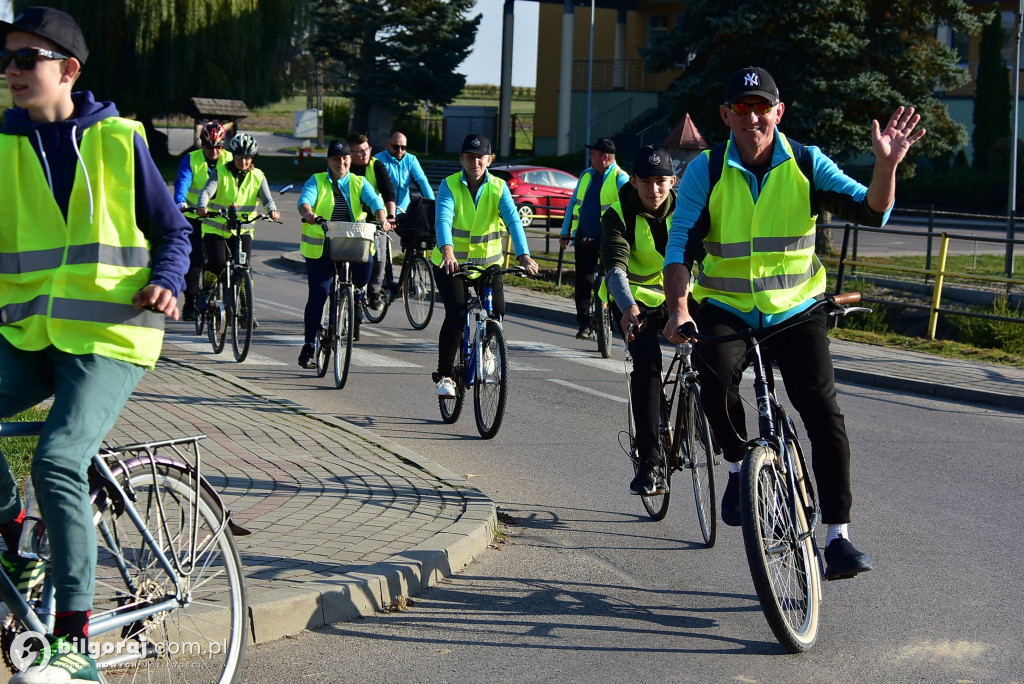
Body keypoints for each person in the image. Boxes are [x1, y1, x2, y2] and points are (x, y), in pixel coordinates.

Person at [662, 66, 925, 579]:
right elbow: (679, 248)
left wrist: (886, 166)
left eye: (763, 107)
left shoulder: (805, 162)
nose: (753, 117)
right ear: (726, 115)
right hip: (726, 306)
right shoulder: (707, 170)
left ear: (779, 113)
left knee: (823, 414)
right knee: (712, 377)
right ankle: (740, 469)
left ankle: (837, 538)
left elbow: (872, 211)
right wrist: (679, 309)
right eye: (742, 108)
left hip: (796, 309)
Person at [0, 7, 190, 682]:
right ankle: (13, 534)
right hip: (28, 334)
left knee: (57, 455)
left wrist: (167, 283)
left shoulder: (116, 140)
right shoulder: (1, 145)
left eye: (27, 60)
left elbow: (174, 233)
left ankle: (72, 641)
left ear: (68, 70)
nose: (12, 72)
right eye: (6, 60)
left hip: (110, 336)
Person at [432, 134, 538, 396]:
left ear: (489, 160)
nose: (475, 162)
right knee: (456, 314)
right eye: (469, 156)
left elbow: (513, 221)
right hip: (452, 264)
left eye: (480, 157)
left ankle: (487, 347)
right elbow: (443, 218)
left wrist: (524, 256)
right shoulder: (449, 185)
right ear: (461, 159)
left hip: (488, 265)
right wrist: (447, 250)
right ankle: (445, 376)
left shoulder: (499, 188)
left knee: (497, 312)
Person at [601, 146, 677, 495]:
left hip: (680, 296)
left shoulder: (687, 211)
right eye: (645, 182)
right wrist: (628, 306)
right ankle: (649, 463)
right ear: (633, 182)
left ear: (672, 181)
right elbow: (615, 269)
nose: (654, 189)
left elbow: (705, 259)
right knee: (647, 370)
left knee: (715, 352)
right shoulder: (618, 215)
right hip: (634, 301)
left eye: (661, 181)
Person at [296, 139, 388, 368]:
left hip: (353, 243)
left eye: (345, 158)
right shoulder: (317, 180)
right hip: (322, 248)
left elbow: (375, 201)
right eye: (336, 159)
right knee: (319, 293)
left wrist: (383, 218)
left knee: (361, 279)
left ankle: (353, 298)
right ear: (328, 160)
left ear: (350, 159)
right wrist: (309, 214)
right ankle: (309, 345)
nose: (341, 162)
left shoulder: (359, 182)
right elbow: (304, 200)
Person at [195, 132, 281, 314]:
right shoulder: (221, 172)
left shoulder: (258, 176)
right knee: (217, 263)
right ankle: (206, 291)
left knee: (244, 268)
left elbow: (267, 199)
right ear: (233, 156)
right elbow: (206, 192)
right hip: (216, 228)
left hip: (243, 231)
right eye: (240, 158)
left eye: (247, 158)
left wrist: (272, 211)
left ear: (252, 158)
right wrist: (202, 206)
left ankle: (246, 308)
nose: (243, 162)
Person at [560, 137, 629, 340]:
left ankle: (615, 320)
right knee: (583, 281)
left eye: (593, 154)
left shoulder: (620, 178)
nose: (590, 157)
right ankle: (584, 325)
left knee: (613, 279)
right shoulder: (587, 175)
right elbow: (573, 203)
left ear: (604, 157)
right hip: (584, 238)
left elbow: (629, 209)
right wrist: (566, 232)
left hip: (610, 240)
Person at [172, 121, 232, 320]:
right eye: (209, 147)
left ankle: (234, 301)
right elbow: (183, 181)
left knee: (227, 259)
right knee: (195, 257)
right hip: (194, 215)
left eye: (218, 147)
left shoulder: (231, 160)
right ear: (202, 144)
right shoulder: (191, 159)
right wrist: (180, 201)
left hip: (218, 217)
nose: (213, 151)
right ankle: (190, 301)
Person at [348, 132, 397, 310]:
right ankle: (347, 289)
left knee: (380, 255)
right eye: (360, 151)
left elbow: (388, 193)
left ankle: (374, 292)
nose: (365, 154)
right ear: (350, 153)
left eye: (367, 149)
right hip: (351, 221)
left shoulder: (377, 166)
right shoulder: (345, 167)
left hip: (376, 219)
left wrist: (390, 218)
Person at [373, 130, 435, 213]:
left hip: (404, 210)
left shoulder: (411, 159)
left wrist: (432, 204)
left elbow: (422, 181)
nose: (400, 150)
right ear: (388, 145)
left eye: (403, 147)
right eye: (396, 147)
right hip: (383, 210)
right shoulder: (378, 159)